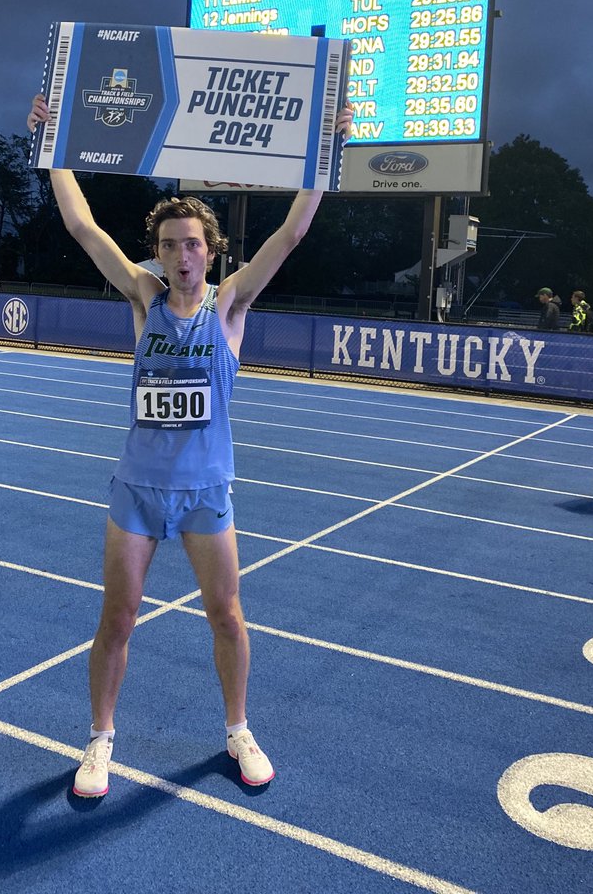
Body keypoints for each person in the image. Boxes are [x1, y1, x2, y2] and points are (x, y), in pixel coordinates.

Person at [27, 93, 353, 798]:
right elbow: (83, 227)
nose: (182, 254)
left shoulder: (230, 305)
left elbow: (291, 235)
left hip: (207, 491)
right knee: (117, 617)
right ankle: (100, 739)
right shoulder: (142, 297)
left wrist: (328, 149)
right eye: (170, 243)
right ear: (159, 252)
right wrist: (53, 142)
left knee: (226, 614)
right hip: (138, 490)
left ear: (212, 251)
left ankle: (238, 729)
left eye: (193, 243)